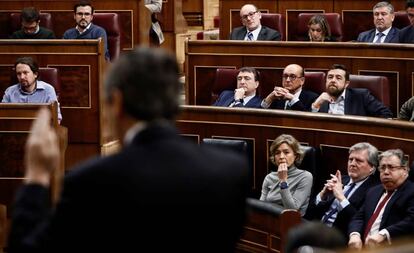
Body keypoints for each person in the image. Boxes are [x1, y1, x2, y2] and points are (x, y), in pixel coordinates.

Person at [7, 47, 249, 252]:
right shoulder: (230, 171)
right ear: (176, 102)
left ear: (118, 102)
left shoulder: (88, 182)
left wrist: (37, 176)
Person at [305, 142, 380, 239]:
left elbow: (359, 222)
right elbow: (309, 213)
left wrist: (341, 198)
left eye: (359, 161)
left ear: (372, 168)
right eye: (350, 159)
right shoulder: (341, 179)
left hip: (338, 238)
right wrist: (322, 195)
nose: (352, 164)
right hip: (316, 229)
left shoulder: (374, 191)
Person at [348, 149, 414, 250]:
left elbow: (411, 221)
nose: (386, 172)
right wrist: (354, 235)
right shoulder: (373, 191)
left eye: (391, 167)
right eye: (382, 168)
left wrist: (384, 234)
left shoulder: (411, 191)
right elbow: (359, 217)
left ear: (405, 170)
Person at [311, 64, 393, 118]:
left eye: (338, 78)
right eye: (330, 77)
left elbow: (386, 114)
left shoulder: (361, 96)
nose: (333, 80)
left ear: (346, 84)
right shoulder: (320, 99)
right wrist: (315, 106)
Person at [260, 134, 313, 216]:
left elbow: (292, 210)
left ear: (296, 155)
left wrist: (283, 181)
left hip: (293, 223)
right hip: (270, 220)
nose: (281, 157)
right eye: (277, 153)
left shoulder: (305, 176)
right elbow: (260, 207)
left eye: (286, 152)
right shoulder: (269, 177)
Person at [2, 56, 62, 123]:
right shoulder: (10, 92)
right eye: (19, 74)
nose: (22, 77)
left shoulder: (48, 90)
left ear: (35, 74)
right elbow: (2, 117)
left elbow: (57, 118)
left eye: (25, 73)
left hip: (40, 131)